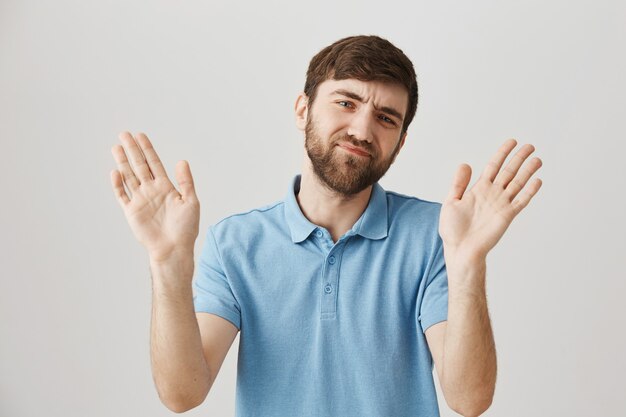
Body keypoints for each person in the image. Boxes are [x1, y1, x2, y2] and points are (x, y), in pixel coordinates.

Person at [110, 35, 542, 416]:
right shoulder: (236, 243)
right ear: (303, 109)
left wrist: (468, 263)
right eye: (346, 102)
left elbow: (469, 400)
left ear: (401, 141)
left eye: (386, 118)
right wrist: (168, 262)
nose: (362, 129)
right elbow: (183, 394)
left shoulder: (438, 234)